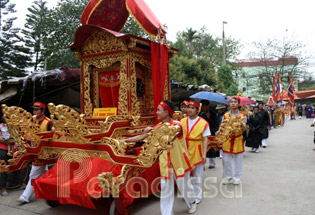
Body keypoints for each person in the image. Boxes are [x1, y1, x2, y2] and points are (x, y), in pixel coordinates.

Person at [120, 100, 196, 215]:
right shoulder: (158, 127)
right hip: (166, 162)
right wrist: (124, 140)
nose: (157, 113)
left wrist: (153, 132)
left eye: (159, 110)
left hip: (179, 162)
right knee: (166, 188)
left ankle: (192, 202)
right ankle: (167, 213)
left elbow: (169, 136)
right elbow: (142, 137)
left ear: (166, 112)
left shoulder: (177, 125)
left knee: (184, 186)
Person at [18, 102, 54, 204]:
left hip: (44, 152)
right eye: (34, 109)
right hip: (34, 150)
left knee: (34, 173)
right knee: (43, 173)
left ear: (43, 111)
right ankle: (47, 191)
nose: (34, 111)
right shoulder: (31, 122)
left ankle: (25, 196)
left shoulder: (48, 122)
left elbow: (54, 133)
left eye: (37, 110)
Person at [180, 101, 210, 205]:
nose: (190, 110)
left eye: (193, 108)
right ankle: (189, 194)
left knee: (198, 175)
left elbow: (205, 139)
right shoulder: (182, 121)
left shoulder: (203, 122)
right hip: (185, 149)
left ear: (197, 110)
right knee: (185, 175)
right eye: (188, 107)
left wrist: (204, 154)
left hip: (197, 149)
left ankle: (198, 196)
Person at [221, 97, 247, 185]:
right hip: (227, 139)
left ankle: (237, 178)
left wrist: (241, 121)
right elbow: (222, 127)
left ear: (238, 104)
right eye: (231, 102)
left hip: (238, 139)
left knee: (238, 160)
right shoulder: (225, 115)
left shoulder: (243, 115)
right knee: (226, 160)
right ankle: (227, 176)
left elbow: (244, 129)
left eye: (235, 102)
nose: (233, 103)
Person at [0, 117, 26, 196]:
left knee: (16, 165)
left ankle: (21, 183)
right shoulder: (0, 126)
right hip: (3, 148)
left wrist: (14, 141)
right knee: (4, 167)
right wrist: (7, 142)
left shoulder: (13, 126)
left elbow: (18, 135)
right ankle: (3, 188)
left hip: (13, 148)